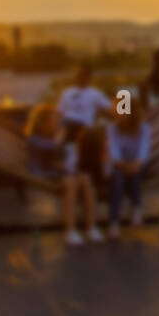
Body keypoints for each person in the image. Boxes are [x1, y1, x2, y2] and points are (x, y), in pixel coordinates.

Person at [25, 103, 101, 246]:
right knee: (71, 183)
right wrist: (60, 139)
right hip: (42, 174)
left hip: (57, 173)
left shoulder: (54, 136)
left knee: (86, 178)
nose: (58, 123)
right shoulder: (33, 138)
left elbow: (63, 158)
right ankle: (70, 231)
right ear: (44, 123)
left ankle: (91, 227)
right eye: (55, 120)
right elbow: (49, 149)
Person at [105, 103, 152, 237]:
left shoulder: (144, 128)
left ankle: (136, 208)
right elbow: (114, 151)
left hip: (139, 164)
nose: (120, 116)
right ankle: (114, 223)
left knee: (135, 172)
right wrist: (124, 165)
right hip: (120, 164)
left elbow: (144, 150)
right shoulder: (112, 128)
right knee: (118, 177)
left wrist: (135, 164)